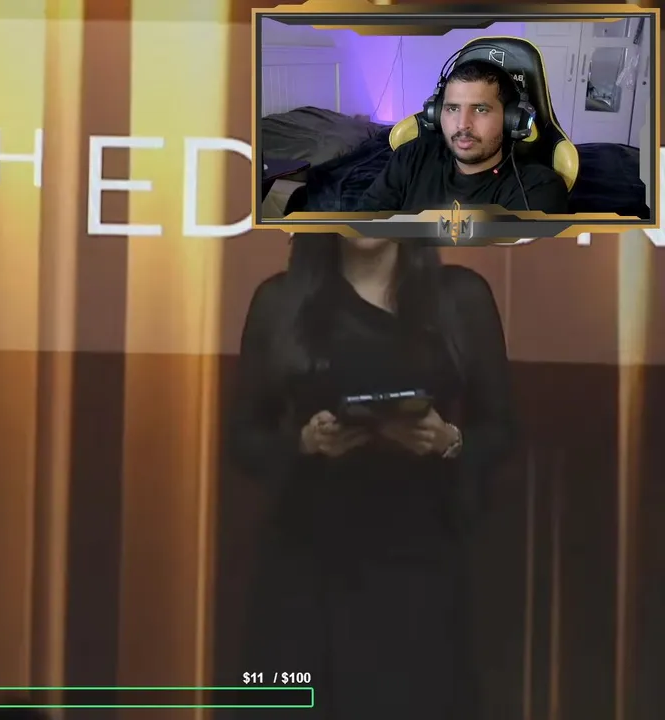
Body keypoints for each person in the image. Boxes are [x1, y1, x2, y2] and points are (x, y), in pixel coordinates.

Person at [227, 236, 518, 720]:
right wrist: (304, 443)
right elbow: (244, 438)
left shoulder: (459, 298)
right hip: (306, 566)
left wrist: (448, 440)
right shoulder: (281, 302)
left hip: (419, 564)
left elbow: (500, 430)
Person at [358, 59, 569, 214]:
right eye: (452, 108)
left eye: (480, 109)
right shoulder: (411, 157)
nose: (462, 124)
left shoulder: (538, 188)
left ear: (512, 120)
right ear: (435, 114)